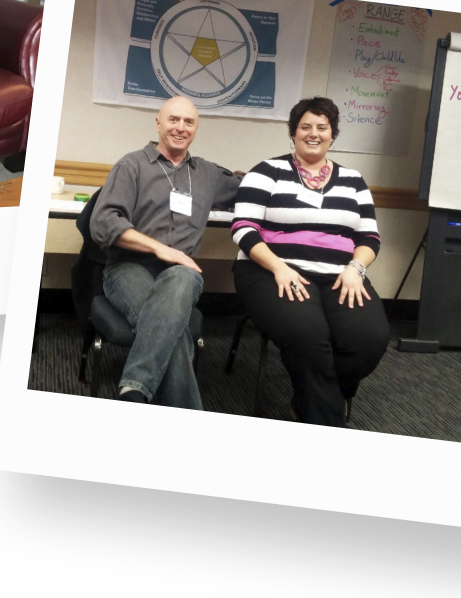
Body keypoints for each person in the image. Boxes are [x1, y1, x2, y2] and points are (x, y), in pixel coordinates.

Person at [231, 97, 390, 425]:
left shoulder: (354, 181)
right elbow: (243, 229)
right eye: (305, 127)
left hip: (340, 274)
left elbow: (369, 238)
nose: (313, 133)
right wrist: (278, 266)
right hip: (269, 270)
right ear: (293, 132)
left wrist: (355, 269)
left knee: (368, 340)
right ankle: (325, 421)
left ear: (333, 134)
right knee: (308, 335)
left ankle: (314, 397)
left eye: (322, 127)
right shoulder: (266, 171)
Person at [89, 96, 240, 407]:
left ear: (196, 128)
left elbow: (251, 190)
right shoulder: (131, 165)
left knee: (183, 279)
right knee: (176, 328)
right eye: (173, 119)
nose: (180, 128)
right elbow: (104, 223)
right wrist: (161, 249)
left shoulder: (207, 174)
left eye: (188, 122)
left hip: (180, 274)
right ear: (158, 123)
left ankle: (133, 390)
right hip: (128, 268)